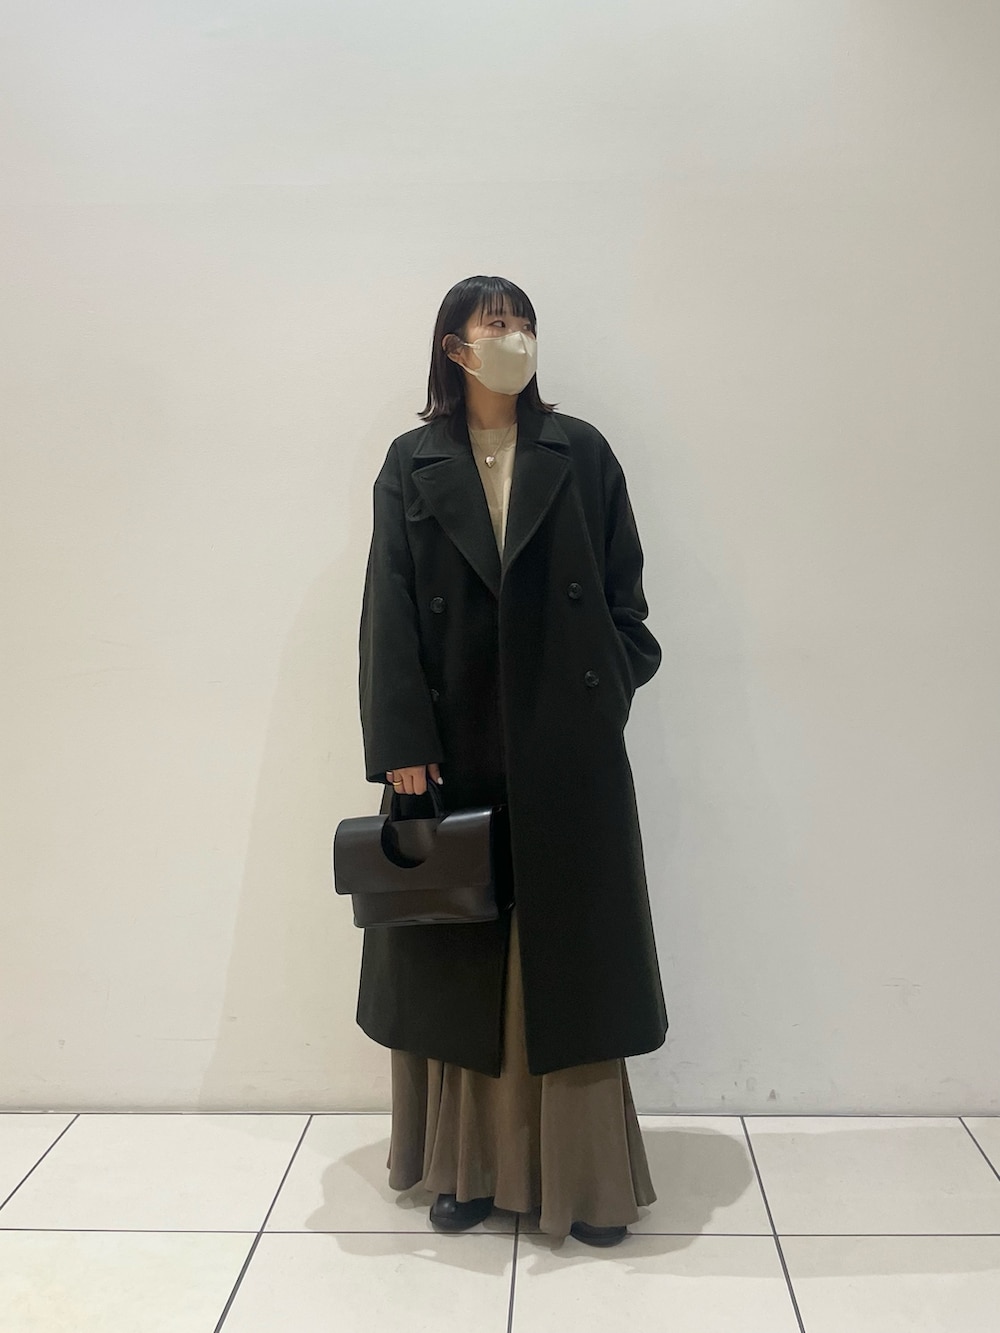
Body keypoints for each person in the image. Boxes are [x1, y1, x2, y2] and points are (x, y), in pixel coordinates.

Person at [356, 274, 668, 1246]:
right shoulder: (411, 462)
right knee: (459, 955)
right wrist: (402, 744)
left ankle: (586, 1180)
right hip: (454, 748)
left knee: (570, 964)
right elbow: (387, 608)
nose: (514, 339)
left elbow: (627, 599)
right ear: (454, 348)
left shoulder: (581, 451)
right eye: (496, 325)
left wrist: (603, 689)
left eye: (524, 324)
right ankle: (467, 1170)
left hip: (565, 745)